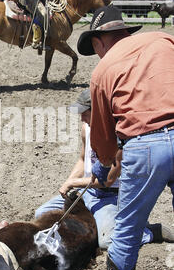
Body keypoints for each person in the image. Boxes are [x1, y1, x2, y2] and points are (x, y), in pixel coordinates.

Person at [77, 4, 174, 270]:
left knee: (128, 226)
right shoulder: (164, 40)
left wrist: (103, 170)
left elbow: (103, 139)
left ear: (97, 41)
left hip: (146, 147)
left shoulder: (103, 71)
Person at [35, 88, 174, 250]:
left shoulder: (118, 136)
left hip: (110, 196)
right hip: (87, 192)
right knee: (41, 214)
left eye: (85, 113)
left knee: (107, 242)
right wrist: (69, 181)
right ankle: (99, 222)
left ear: (98, 112)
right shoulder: (86, 129)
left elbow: (108, 181)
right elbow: (83, 159)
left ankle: (148, 231)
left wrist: (74, 182)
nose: (81, 117)